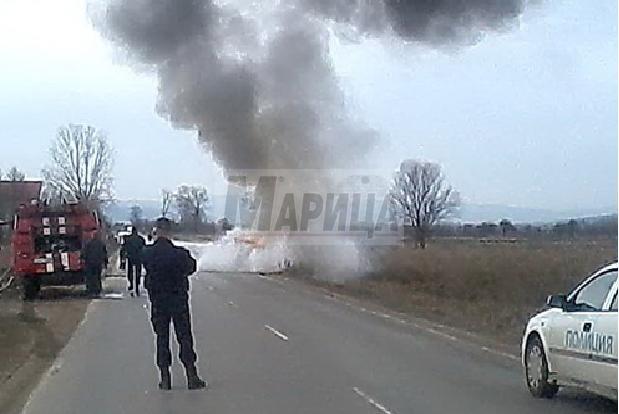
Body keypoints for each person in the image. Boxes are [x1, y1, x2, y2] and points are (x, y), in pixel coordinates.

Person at [142, 217, 206, 391]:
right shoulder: (180, 254)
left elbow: (146, 266)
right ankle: (191, 376)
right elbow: (192, 268)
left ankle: (165, 378)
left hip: (158, 302)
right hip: (178, 301)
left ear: (157, 231)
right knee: (184, 337)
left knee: (162, 338)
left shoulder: (148, 253)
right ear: (170, 232)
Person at [81, 232, 108, 297]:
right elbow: (104, 254)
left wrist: (83, 259)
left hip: (89, 264)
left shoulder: (88, 244)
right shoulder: (101, 244)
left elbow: (84, 253)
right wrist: (105, 263)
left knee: (90, 278)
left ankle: (90, 291)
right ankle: (97, 290)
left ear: (92, 236)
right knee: (97, 277)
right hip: (98, 264)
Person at [122, 227, 146, 296]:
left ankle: (131, 284)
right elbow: (144, 248)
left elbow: (124, 248)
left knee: (130, 272)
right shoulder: (141, 239)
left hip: (130, 257)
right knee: (138, 272)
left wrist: (123, 257)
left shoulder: (128, 239)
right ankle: (137, 285)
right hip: (138, 257)